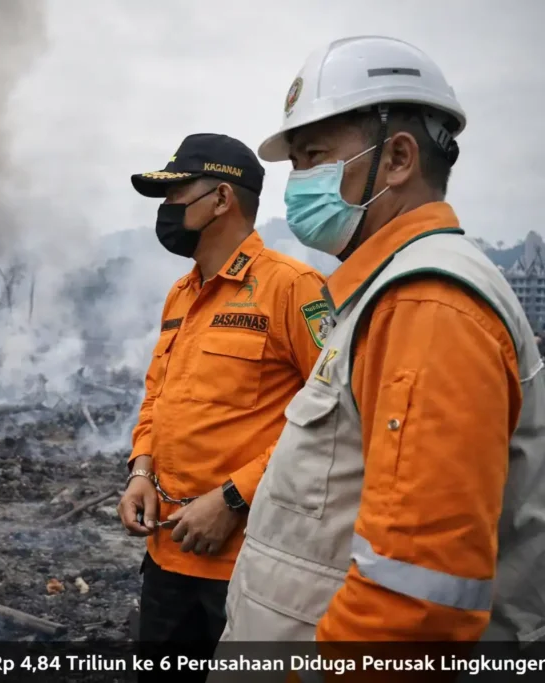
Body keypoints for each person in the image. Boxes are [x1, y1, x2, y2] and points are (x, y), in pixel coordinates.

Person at [216, 35, 545, 652]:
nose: (296, 183)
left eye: (313, 156)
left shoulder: (427, 306)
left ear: (397, 159)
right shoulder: (385, 295)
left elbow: (415, 604)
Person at [117, 133, 327, 674]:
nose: (165, 211)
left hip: (250, 567)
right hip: (166, 556)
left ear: (221, 199)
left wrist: (234, 498)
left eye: (174, 195)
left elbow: (333, 420)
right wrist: (141, 469)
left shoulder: (293, 288)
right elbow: (157, 394)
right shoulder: (181, 294)